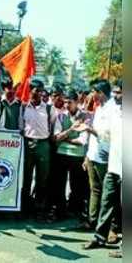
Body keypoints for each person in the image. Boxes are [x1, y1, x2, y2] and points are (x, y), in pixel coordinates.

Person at [82, 80, 122, 258]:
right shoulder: (115, 111)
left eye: (119, 92)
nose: (116, 96)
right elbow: (106, 135)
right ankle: (99, 237)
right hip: (113, 165)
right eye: (115, 92)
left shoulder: (115, 109)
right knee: (106, 201)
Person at [20, 79, 57, 221]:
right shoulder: (23, 107)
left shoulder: (49, 108)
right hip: (28, 144)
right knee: (26, 178)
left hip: (43, 145)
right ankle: (25, 209)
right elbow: (21, 127)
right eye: (35, 91)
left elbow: (55, 127)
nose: (38, 94)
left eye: (40, 91)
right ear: (30, 91)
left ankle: (39, 210)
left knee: (42, 179)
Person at [51, 90, 89, 221]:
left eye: (70, 102)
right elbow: (56, 137)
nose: (67, 105)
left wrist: (65, 137)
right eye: (65, 102)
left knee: (77, 185)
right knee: (59, 184)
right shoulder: (61, 116)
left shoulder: (85, 116)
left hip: (77, 156)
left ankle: (74, 210)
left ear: (77, 102)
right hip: (61, 154)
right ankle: (60, 211)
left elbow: (82, 141)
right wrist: (72, 130)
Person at [81, 80, 112, 230]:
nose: (92, 95)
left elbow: (108, 136)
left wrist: (88, 129)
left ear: (100, 92)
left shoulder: (113, 110)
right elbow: (94, 135)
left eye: (93, 92)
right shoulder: (99, 108)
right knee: (94, 189)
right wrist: (87, 156)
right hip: (93, 155)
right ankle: (92, 221)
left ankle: (109, 226)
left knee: (107, 193)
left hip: (105, 157)